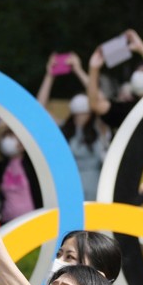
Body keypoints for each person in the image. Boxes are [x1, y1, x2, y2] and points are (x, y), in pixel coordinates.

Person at [37, 53, 110, 202]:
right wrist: (49, 76)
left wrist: (78, 70)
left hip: (96, 196)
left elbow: (101, 100)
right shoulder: (65, 129)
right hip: (69, 194)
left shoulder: (99, 128)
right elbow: (38, 110)